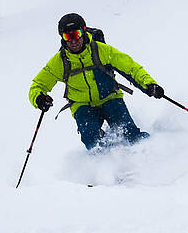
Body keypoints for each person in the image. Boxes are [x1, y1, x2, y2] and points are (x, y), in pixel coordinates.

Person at [28, 13, 164, 150]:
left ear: (83, 31)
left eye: (76, 34)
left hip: (110, 98)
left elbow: (130, 68)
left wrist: (149, 85)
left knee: (130, 133)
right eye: (68, 37)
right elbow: (38, 85)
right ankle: (106, 165)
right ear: (62, 37)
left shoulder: (101, 51)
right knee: (93, 142)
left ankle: (154, 152)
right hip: (82, 106)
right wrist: (39, 98)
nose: (73, 41)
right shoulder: (59, 62)